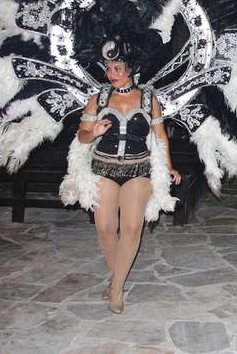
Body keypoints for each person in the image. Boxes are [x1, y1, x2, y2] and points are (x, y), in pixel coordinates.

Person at [76, 43, 180, 314]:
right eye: (109, 69)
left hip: (138, 169)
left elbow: (160, 138)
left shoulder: (148, 99)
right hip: (104, 168)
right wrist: (94, 132)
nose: (112, 74)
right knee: (105, 227)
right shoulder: (97, 98)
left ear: (131, 69)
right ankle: (117, 278)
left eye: (118, 69)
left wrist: (169, 167)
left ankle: (116, 288)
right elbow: (81, 136)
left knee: (132, 227)